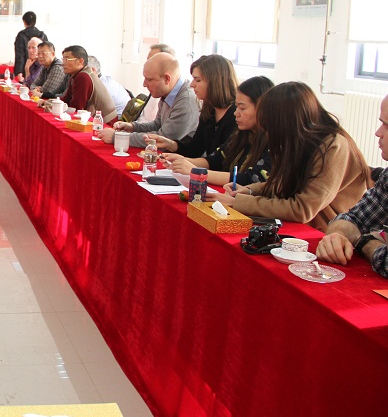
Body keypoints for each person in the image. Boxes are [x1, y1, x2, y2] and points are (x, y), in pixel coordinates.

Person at [208, 82, 370, 231]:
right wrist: (250, 191)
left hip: (327, 232)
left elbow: (302, 209)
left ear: (287, 124)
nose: (270, 135)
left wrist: (238, 202)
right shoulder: (298, 141)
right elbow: (282, 184)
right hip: (302, 225)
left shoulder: (333, 146)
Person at [316, 94, 388, 278]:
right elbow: (355, 218)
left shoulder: (332, 145)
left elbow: (301, 208)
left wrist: (366, 243)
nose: (378, 132)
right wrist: (337, 236)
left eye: (386, 125)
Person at [162, 76, 273, 187]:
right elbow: (216, 159)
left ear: (262, 109)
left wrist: (198, 172)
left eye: (242, 108)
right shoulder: (242, 134)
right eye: (236, 107)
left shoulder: (274, 143)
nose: (236, 113)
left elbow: (251, 179)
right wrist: (183, 161)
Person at [148, 54, 237, 158]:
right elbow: (195, 149)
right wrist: (170, 144)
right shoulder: (209, 109)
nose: (192, 84)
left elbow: (220, 161)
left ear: (215, 82)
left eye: (198, 80)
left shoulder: (235, 114)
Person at [101, 53, 198, 148]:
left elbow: (163, 140)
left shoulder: (186, 101)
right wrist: (133, 127)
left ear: (167, 79)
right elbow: (157, 125)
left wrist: (119, 137)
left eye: (149, 79)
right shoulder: (168, 92)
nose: (144, 84)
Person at [50, 45, 116, 122]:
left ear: (80, 61)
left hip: (104, 122)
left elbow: (76, 107)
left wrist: (53, 106)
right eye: (63, 59)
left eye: (67, 59)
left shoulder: (83, 77)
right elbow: (66, 99)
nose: (63, 63)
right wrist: (50, 102)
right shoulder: (76, 75)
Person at [138, 43, 177, 120]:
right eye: (148, 60)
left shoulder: (163, 91)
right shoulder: (157, 91)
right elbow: (155, 123)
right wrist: (132, 125)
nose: (148, 63)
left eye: (152, 59)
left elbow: (157, 126)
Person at [13, 11, 47, 81]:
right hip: (42, 69)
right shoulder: (43, 36)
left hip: (26, 67)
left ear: (24, 22)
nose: (31, 50)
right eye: (29, 48)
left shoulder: (21, 35)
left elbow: (20, 55)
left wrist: (19, 72)